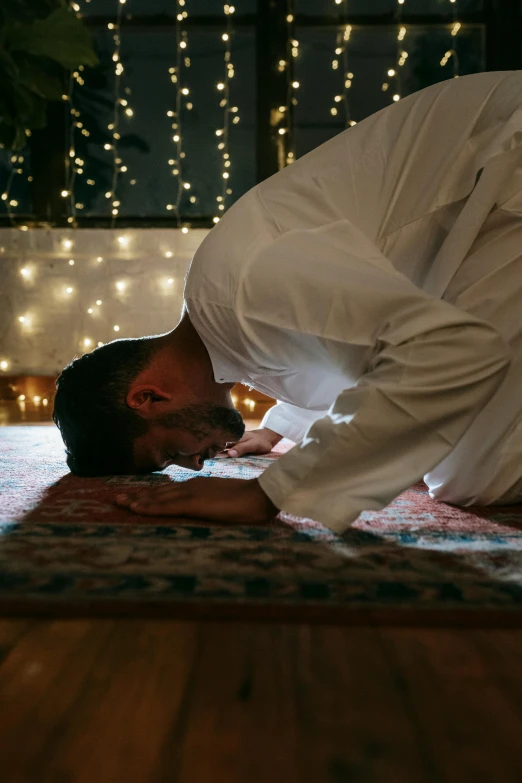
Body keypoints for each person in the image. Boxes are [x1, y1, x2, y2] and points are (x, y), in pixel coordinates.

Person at [53, 70, 522, 533]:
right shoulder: (230, 327)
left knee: (473, 477)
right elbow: (346, 348)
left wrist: (268, 493)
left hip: (504, 162)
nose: (195, 465)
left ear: (148, 397)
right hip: (485, 199)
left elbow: (450, 348)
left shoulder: (249, 286)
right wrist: (282, 426)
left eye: (171, 453)